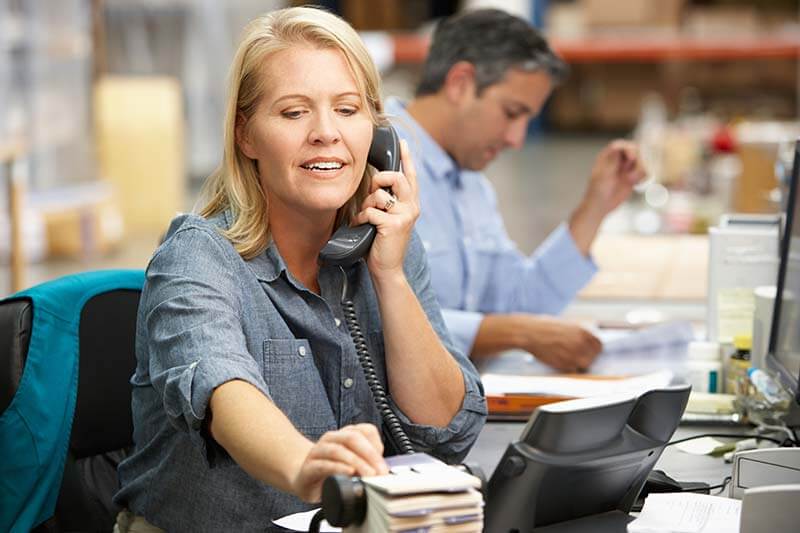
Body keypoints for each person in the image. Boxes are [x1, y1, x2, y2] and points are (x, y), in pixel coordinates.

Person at [113, 7, 487, 532]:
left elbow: (447, 432)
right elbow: (225, 391)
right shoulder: (197, 256)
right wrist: (303, 465)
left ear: (377, 135)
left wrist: (391, 277)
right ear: (246, 136)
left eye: (348, 109)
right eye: (293, 113)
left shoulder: (387, 244)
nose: (326, 133)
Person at [387, 8, 646, 372]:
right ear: (460, 83)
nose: (516, 139)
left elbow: (521, 302)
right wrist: (514, 333)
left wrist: (596, 207)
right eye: (511, 113)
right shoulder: (372, 164)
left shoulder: (472, 185)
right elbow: (372, 319)